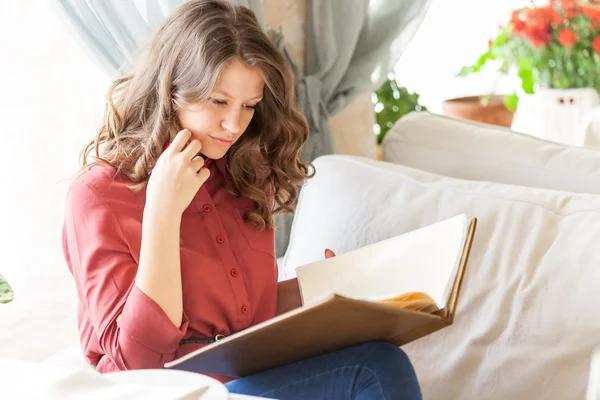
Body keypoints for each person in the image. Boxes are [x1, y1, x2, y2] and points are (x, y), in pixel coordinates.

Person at [62, 0, 422, 398]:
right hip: (166, 391)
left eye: (249, 106)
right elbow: (138, 364)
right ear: (172, 89)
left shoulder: (245, 171)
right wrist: (162, 212)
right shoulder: (99, 194)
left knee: (379, 356)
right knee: (374, 368)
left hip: (242, 379)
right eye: (219, 102)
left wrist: (321, 291)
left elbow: (243, 318)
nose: (234, 124)